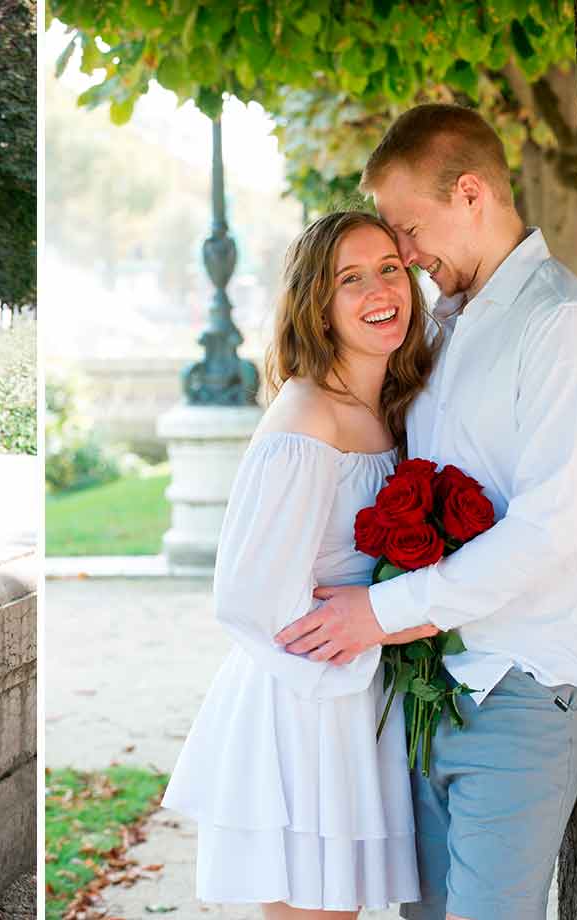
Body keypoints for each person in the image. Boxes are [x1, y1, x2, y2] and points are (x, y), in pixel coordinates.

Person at [275, 104, 577, 920]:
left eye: (407, 226)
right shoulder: (439, 324)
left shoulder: (561, 323)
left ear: (471, 192)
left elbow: (550, 528)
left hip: (525, 679)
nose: (401, 254)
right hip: (429, 685)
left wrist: (382, 614)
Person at [163, 211, 442, 918]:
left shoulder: (388, 408)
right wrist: (378, 632)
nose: (381, 290)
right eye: (351, 278)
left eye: (389, 267)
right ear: (318, 306)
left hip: (355, 699)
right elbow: (248, 595)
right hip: (308, 705)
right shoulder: (307, 417)